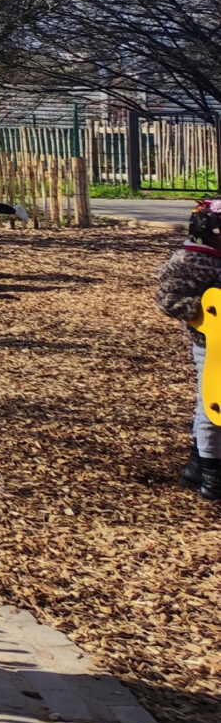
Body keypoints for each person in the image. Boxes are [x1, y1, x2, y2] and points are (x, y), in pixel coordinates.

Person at [155, 199, 221, 501]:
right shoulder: (191, 258)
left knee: (207, 405)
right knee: (212, 406)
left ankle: (196, 469)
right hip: (210, 345)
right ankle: (212, 478)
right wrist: (205, 312)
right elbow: (168, 298)